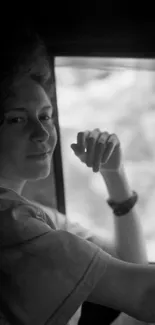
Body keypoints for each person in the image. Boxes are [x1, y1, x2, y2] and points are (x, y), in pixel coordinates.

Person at [0, 24, 155, 325]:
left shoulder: (37, 216)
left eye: (45, 116)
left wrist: (114, 176)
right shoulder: (12, 223)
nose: (42, 132)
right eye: (18, 119)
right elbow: (144, 295)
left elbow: (129, 263)